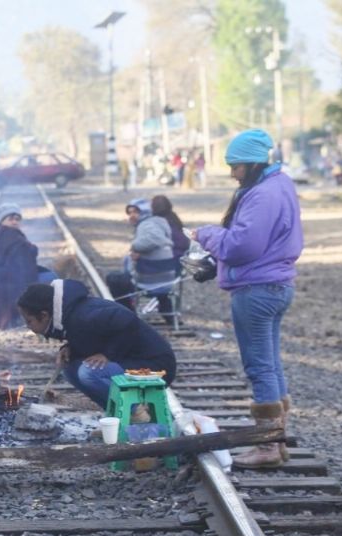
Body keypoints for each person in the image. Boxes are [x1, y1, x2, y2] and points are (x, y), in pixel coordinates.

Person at [189, 129, 302, 469]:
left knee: (259, 367)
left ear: (252, 163)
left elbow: (242, 246)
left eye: (236, 166)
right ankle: (276, 441)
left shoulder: (262, 194)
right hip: (276, 285)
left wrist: (207, 234)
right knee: (271, 364)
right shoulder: (281, 184)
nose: (232, 173)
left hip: (256, 290)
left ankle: (267, 447)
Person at [16, 280, 177, 409]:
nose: (28, 326)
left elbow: (127, 320)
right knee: (70, 368)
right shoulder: (68, 314)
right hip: (130, 360)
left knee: (89, 373)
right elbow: (92, 338)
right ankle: (115, 416)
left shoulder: (83, 316)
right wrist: (69, 348)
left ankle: (137, 415)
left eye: (29, 321)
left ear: (44, 315)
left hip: (156, 366)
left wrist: (108, 354)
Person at [105, 198, 176, 323]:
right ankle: (169, 315)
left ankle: (128, 315)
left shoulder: (147, 224)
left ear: (145, 211)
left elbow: (155, 239)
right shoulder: (160, 222)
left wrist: (135, 246)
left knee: (114, 279)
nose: (132, 215)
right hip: (167, 281)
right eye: (130, 212)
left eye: (136, 212)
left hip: (149, 282)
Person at [0, 204, 39, 329]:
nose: (14, 222)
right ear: (2, 220)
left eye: (17, 219)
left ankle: (6, 323)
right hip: (10, 282)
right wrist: (32, 248)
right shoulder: (12, 237)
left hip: (1, 281)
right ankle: (11, 323)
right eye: (11, 219)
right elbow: (26, 254)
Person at [150, 195, 190, 272]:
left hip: (163, 263)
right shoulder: (174, 219)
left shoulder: (153, 223)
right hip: (177, 261)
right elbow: (185, 243)